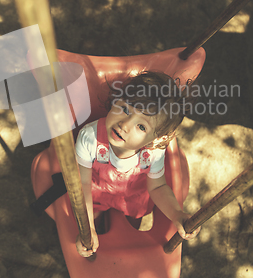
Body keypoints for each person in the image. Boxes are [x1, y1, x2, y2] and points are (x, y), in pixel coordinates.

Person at [75, 70, 200, 257]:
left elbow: (157, 187)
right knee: (91, 220)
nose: (124, 125)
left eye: (141, 127)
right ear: (116, 100)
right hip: (97, 191)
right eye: (125, 109)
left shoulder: (153, 152)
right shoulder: (90, 137)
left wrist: (177, 215)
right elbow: (82, 184)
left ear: (155, 139)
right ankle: (97, 229)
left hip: (132, 197)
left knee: (133, 223)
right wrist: (89, 227)